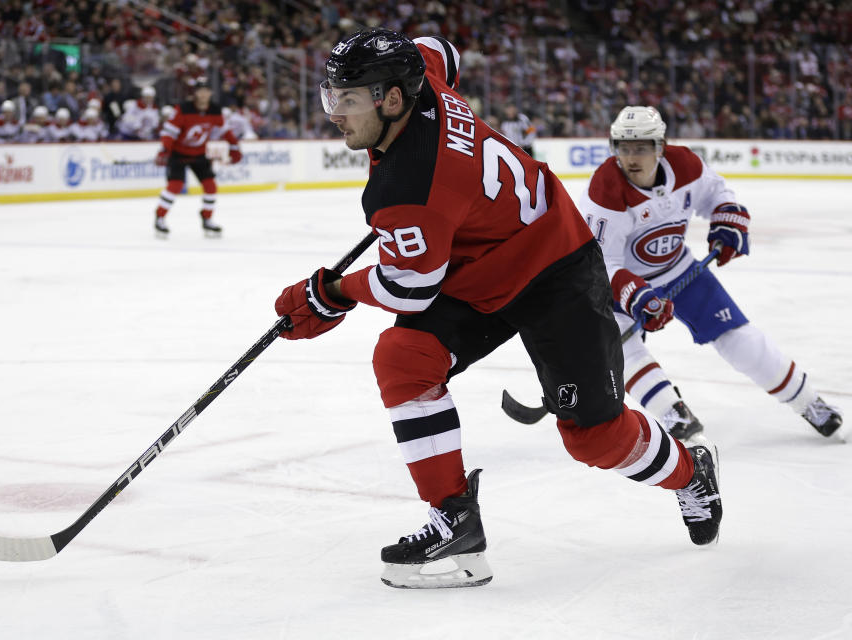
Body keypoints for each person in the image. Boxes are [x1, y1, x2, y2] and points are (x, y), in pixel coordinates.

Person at [272, 29, 723, 589]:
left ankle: (689, 473)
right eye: (330, 96)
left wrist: (331, 294)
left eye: (348, 99)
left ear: (392, 99)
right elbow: (440, 48)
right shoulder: (423, 76)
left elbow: (407, 287)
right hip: (479, 268)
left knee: (596, 439)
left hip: (555, 264)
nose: (334, 114)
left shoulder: (410, 188)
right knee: (405, 357)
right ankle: (454, 518)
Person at [578, 106, 843, 442]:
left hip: (680, 269)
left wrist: (728, 219)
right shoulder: (605, 190)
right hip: (624, 285)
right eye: (624, 148)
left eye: (641, 148)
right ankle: (672, 411)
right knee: (617, 348)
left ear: (660, 146)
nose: (631, 157)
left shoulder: (686, 165)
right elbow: (601, 263)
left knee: (738, 336)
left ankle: (809, 403)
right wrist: (637, 295)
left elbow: (717, 194)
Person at [153, 77, 242, 238]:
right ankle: (160, 217)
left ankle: (207, 219)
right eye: (200, 90)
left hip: (199, 155)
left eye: (206, 90)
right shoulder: (183, 109)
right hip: (178, 154)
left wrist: (234, 147)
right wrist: (165, 149)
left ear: (210, 93)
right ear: (195, 93)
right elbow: (169, 132)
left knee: (210, 186)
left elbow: (225, 131)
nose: (203, 94)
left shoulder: (215, 110)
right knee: (175, 186)